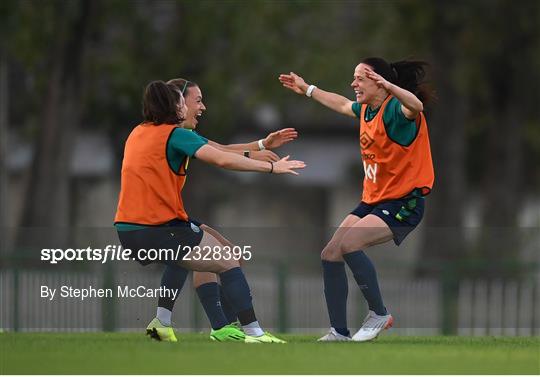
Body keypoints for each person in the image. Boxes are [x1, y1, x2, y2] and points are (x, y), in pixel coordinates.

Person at [114, 80, 305, 343]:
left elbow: (219, 150)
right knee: (227, 259)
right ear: (177, 104)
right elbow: (222, 158)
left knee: (201, 249)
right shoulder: (176, 134)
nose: (200, 106)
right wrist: (271, 168)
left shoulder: (138, 132)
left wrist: (259, 148)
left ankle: (167, 323)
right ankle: (253, 332)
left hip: (129, 229)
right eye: (193, 100)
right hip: (156, 227)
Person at [279, 57, 434, 342]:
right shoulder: (366, 110)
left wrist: (390, 86)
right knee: (330, 253)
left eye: (360, 78)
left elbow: (417, 106)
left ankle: (379, 313)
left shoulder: (398, 112)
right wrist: (308, 89)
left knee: (350, 245)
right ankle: (338, 332)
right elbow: (339, 103)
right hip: (374, 200)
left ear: (379, 82)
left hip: (403, 203)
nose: (353, 84)